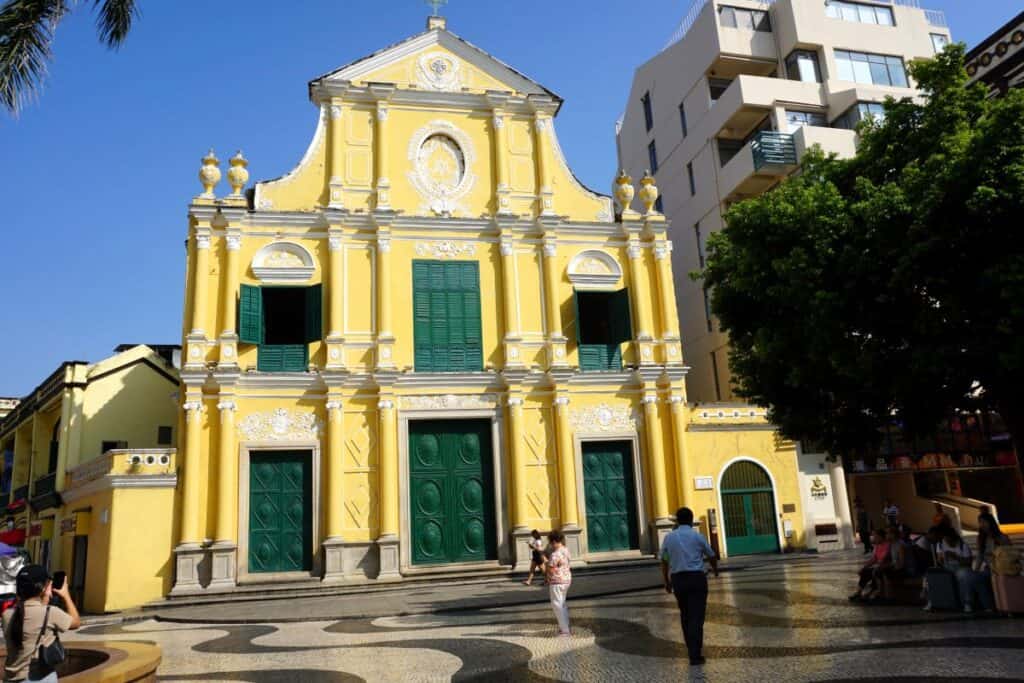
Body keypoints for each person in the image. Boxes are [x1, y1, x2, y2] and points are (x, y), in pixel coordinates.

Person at [660, 507, 718, 666]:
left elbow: (664, 560)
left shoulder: (669, 538)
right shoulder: (697, 536)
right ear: (691, 520)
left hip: (679, 580)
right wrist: (716, 570)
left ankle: (691, 650)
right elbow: (711, 555)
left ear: (677, 521)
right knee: (697, 617)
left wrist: (666, 581)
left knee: (685, 615)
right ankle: (695, 654)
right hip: (697, 579)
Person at [2, 564, 80, 683]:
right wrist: (66, 595)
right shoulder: (50, 613)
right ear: (43, 588)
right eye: (49, 584)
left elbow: (29, 614)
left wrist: (43, 597)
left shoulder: (7, 614)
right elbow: (76, 622)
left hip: (11, 679)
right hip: (37, 679)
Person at [960, 512, 1011, 612]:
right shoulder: (981, 538)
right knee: (971, 577)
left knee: (975, 578)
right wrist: (975, 570)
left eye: (984, 522)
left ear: (991, 522)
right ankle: (983, 605)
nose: (982, 525)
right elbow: (980, 556)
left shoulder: (1002, 537)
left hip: (1001, 569)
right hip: (989, 569)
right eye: (980, 522)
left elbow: (1009, 555)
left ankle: (983, 605)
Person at [929, 527, 974, 612]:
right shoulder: (940, 544)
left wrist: (956, 557)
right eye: (945, 538)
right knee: (933, 575)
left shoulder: (962, 545)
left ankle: (967, 602)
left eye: (948, 539)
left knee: (963, 576)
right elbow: (939, 561)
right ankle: (934, 601)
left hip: (961, 567)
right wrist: (941, 558)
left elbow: (968, 562)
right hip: (947, 567)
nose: (947, 541)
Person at [543, 531, 572, 636]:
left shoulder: (555, 554)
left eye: (551, 543)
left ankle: (564, 630)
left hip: (557, 581)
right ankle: (565, 626)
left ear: (554, 541)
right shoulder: (566, 550)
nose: (550, 545)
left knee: (557, 605)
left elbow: (550, 568)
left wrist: (546, 561)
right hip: (566, 580)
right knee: (562, 603)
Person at [849, 529, 890, 601]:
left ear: (881, 537)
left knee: (874, 572)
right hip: (878, 566)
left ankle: (874, 592)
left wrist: (877, 565)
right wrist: (865, 567)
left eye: (875, 536)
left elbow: (884, 558)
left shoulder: (887, 545)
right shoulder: (877, 546)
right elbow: (874, 559)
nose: (874, 538)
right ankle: (859, 592)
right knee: (864, 571)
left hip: (885, 566)